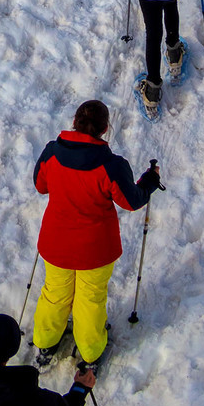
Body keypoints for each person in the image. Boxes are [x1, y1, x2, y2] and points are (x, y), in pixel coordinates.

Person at [30, 102, 161, 367]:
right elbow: (131, 200)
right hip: (95, 250)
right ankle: (89, 353)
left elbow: (40, 185)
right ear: (104, 129)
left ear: (75, 122)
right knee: (90, 299)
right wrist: (149, 181)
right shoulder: (110, 165)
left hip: (56, 244)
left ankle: (45, 343)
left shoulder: (51, 153)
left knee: (54, 293)